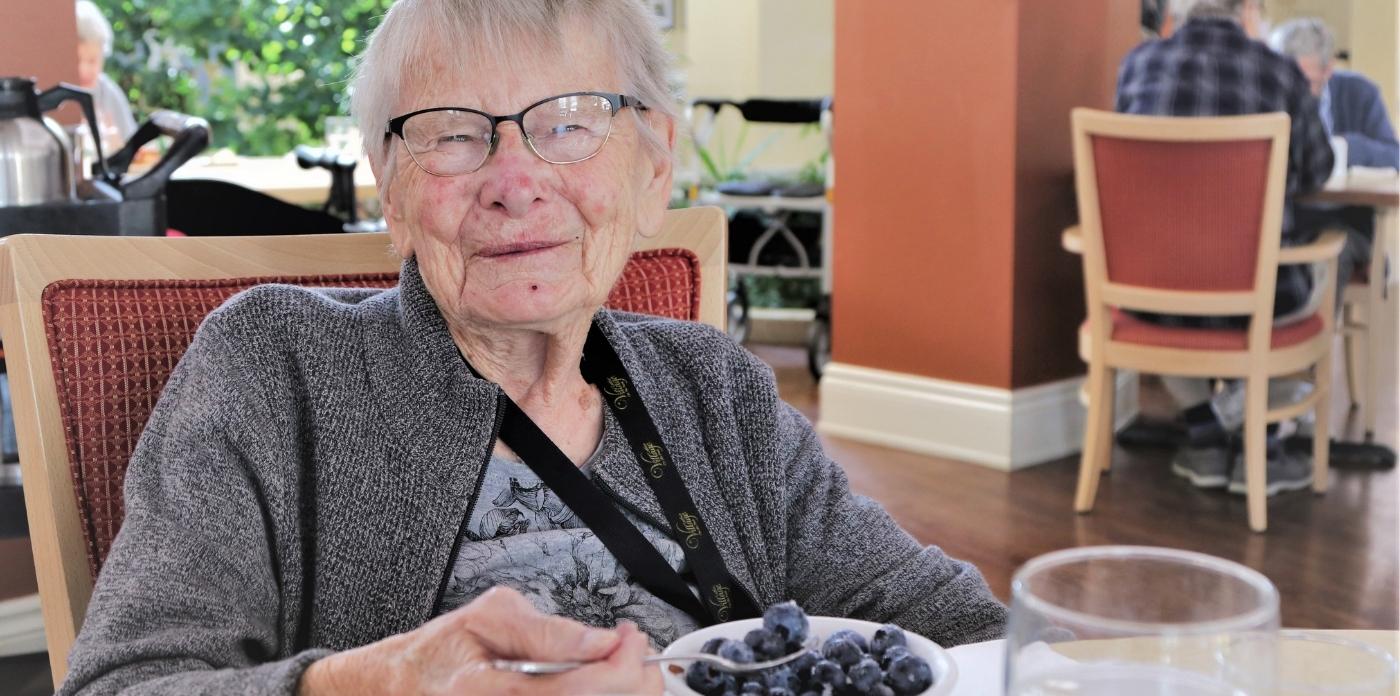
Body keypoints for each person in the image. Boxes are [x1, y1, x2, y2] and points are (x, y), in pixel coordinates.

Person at [57, 1, 1008, 694]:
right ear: (391, 193)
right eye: (452, 136)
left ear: (653, 168)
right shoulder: (274, 366)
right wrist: (377, 684)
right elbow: (123, 685)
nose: (515, 181)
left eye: (568, 123)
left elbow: (954, 627)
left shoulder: (713, 387)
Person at [1114, 0, 1335, 495]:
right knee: (1324, 270)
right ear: (1248, 9)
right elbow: (1317, 170)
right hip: (1257, 299)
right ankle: (1266, 445)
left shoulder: (1137, 64)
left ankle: (1206, 433)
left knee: (1177, 291)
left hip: (1151, 296)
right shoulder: (1278, 72)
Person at [1270, 17, 1396, 301]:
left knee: (1330, 256)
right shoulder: (1271, 94)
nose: (1292, 88)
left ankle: (1317, 341)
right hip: (1287, 220)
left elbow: (1394, 156)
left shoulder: (1360, 93)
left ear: (1329, 70)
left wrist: (1344, 148)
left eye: (1304, 81)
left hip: (1345, 221)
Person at [74, 0, 137, 157]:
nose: (85, 69)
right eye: (77, 60)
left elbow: (133, 147)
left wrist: (117, 146)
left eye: (93, 60)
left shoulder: (107, 91)